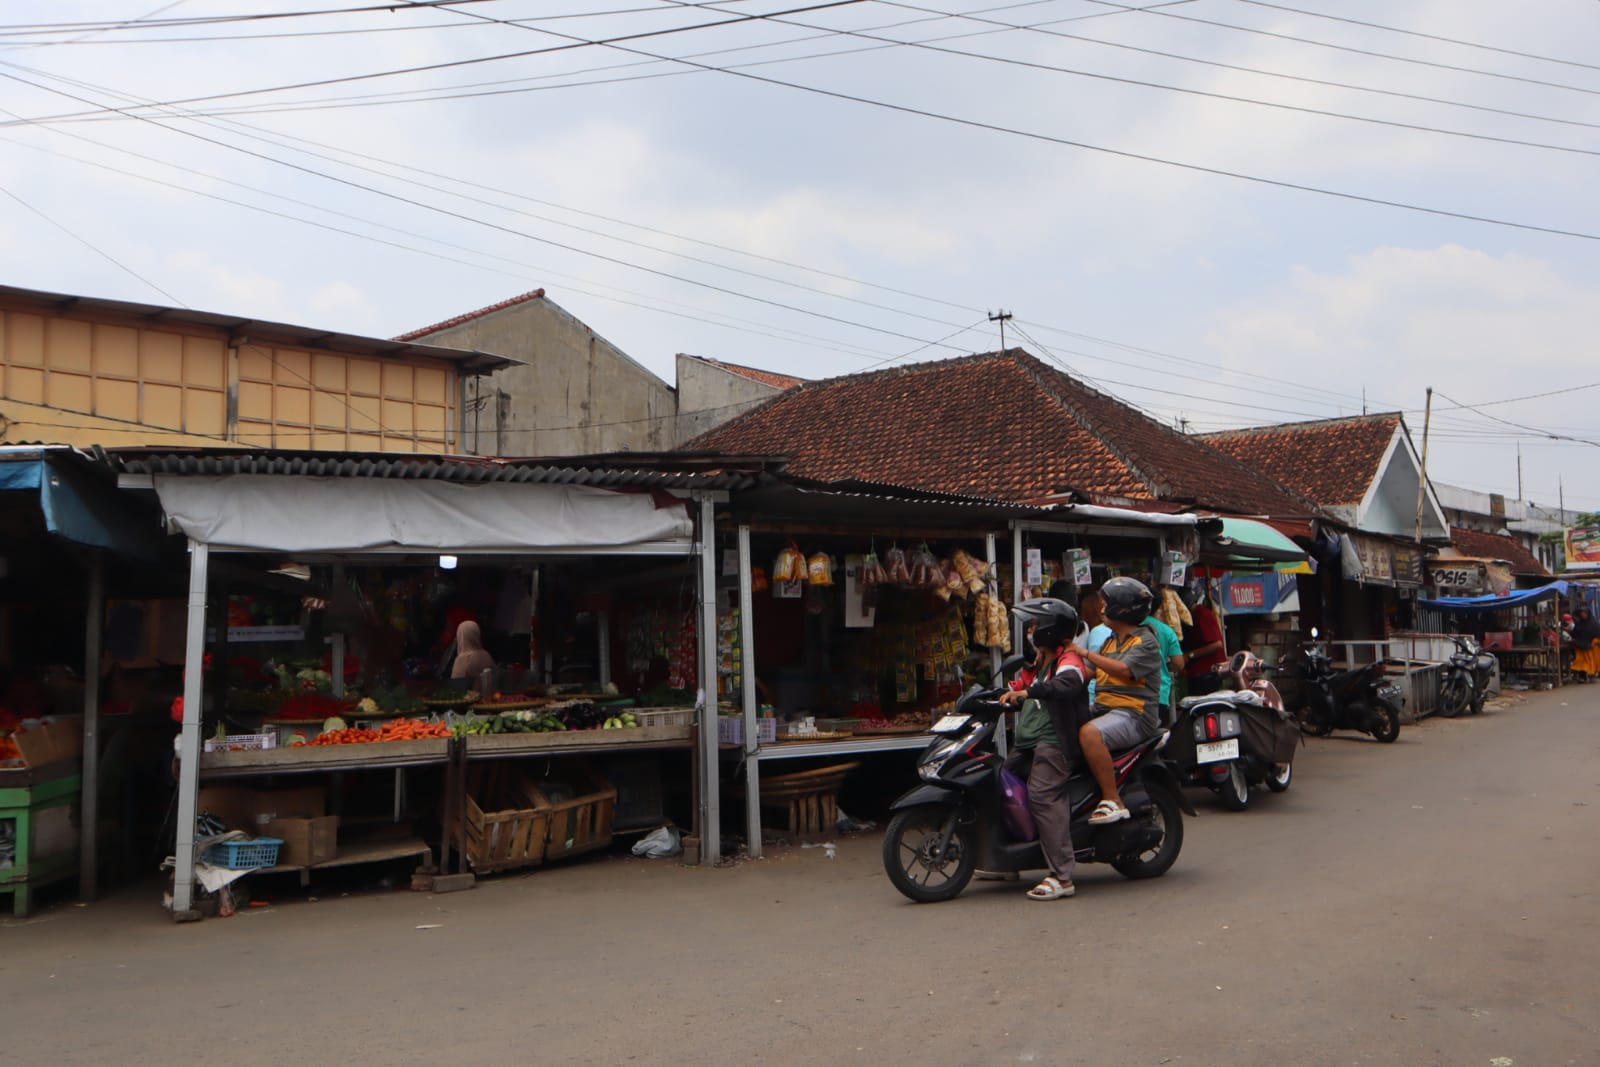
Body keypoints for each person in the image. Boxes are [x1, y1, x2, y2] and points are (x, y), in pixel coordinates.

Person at [1000, 598, 1093, 901]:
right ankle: (1004, 859)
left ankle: (1062, 877)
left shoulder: (1069, 661)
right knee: (998, 781)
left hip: (1054, 743)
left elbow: (1067, 684)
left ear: (1051, 630)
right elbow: (1021, 684)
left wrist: (1031, 690)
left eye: (1037, 625)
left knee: (1042, 796)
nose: (1032, 631)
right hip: (1029, 742)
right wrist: (1002, 693)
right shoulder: (1042, 661)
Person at [1077, 577, 1163, 825]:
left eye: (1106, 604)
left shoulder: (1146, 642)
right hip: (1105, 710)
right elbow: (1087, 672)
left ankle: (1112, 798)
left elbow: (1124, 669)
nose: (1101, 609)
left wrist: (1083, 652)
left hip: (1134, 715)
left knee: (1090, 733)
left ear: (1122, 609)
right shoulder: (1109, 641)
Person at [1142, 606, 1186, 726]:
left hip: (1132, 696)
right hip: (1160, 692)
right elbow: (1179, 663)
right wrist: (1166, 667)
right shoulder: (1166, 630)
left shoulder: (1126, 627)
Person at [1183, 589, 1228, 696]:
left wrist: (1189, 655)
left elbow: (1217, 644)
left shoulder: (1202, 614)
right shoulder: (1193, 617)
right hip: (1197, 673)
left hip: (1207, 672)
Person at [1571, 608, 1600, 682]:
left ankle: (1591, 675)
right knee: (1581, 662)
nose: (1583, 615)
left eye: (1584, 613)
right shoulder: (1579, 624)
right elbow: (1575, 634)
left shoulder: (1594, 624)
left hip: (1592, 647)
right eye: (1582, 613)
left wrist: (1594, 642)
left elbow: (1598, 635)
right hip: (1581, 646)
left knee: (1591, 662)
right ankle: (1582, 677)